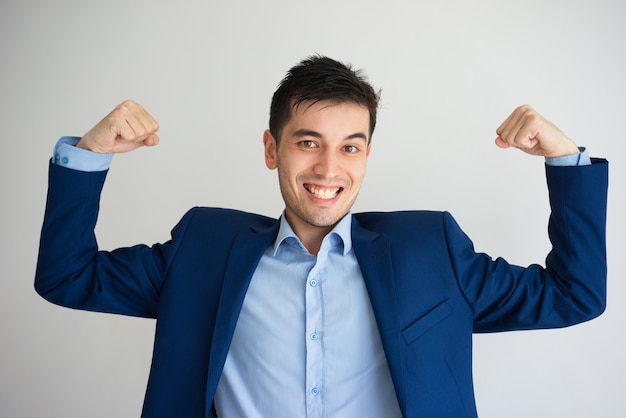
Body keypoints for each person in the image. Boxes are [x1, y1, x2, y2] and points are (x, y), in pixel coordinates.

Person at [35, 55, 608, 418]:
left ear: (367, 154)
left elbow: (573, 294)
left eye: (350, 146)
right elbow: (67, 277)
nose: (329, 168)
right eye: (308, 142)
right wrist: (91, 156)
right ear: (271, 149)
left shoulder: (430, 250)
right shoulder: (203, 248)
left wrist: (564, 160)